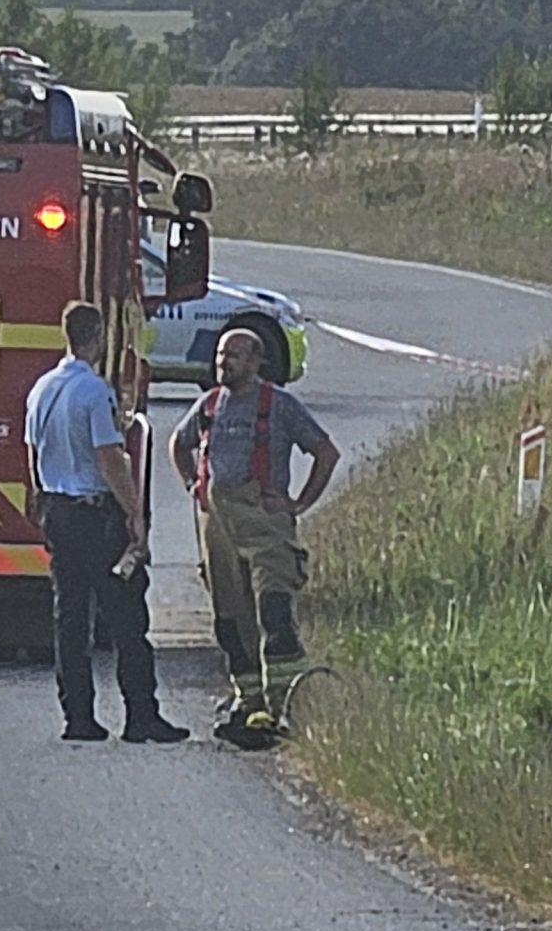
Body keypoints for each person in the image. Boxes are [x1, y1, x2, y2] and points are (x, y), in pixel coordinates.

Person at [22, 301, 188, 744]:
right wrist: (134, 513)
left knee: (71, 618)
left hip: (57, 509)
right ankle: (141, 717)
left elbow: (32, 452)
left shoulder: (41, 389)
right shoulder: (95, 393)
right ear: (97, 337)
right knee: (126, 617)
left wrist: (37, 498)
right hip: (95, 515)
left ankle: (78, 717)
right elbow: (109, 457)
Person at [169, 327, 340, 748]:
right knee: (231, 621)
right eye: (221, 355)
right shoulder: (210, 405)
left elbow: (326, 453)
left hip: (267, 526)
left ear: (256, 362)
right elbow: (178, 443)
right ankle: (250, 704)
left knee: (274, 616)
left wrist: (298, 504)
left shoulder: (279, 406)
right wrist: (194, 482)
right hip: (218, 529)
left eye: (235, 356)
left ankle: (289, 704)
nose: (223, 363)